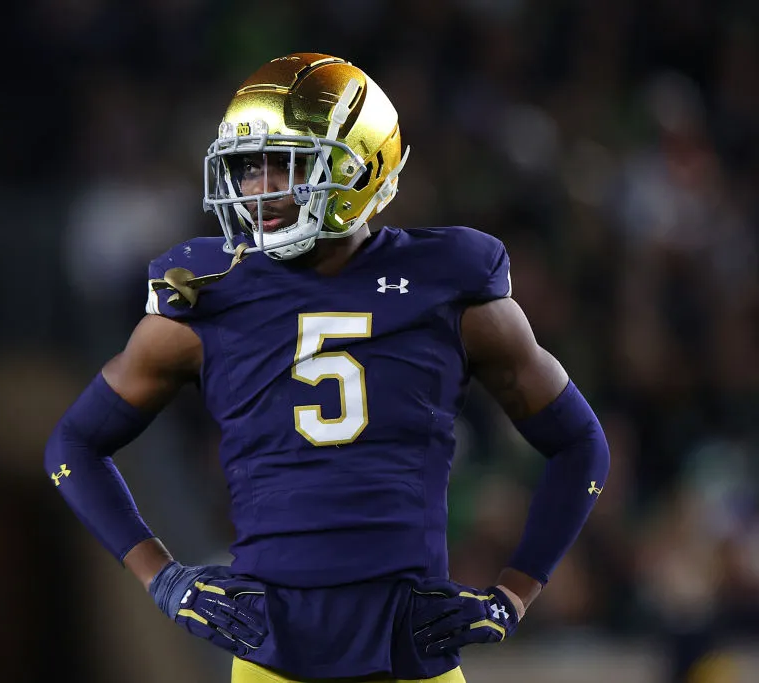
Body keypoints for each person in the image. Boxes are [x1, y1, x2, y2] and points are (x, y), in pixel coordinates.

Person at [45, 53, 610, 683]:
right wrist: (164, 579)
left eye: (282, 164)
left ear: (358, 165)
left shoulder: (449, 285)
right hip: (272, 655)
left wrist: (513, 595)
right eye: (247, 167)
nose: (259, 189)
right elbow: (72, 446)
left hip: (410, 651)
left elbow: (582, 444)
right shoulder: (207, 295)